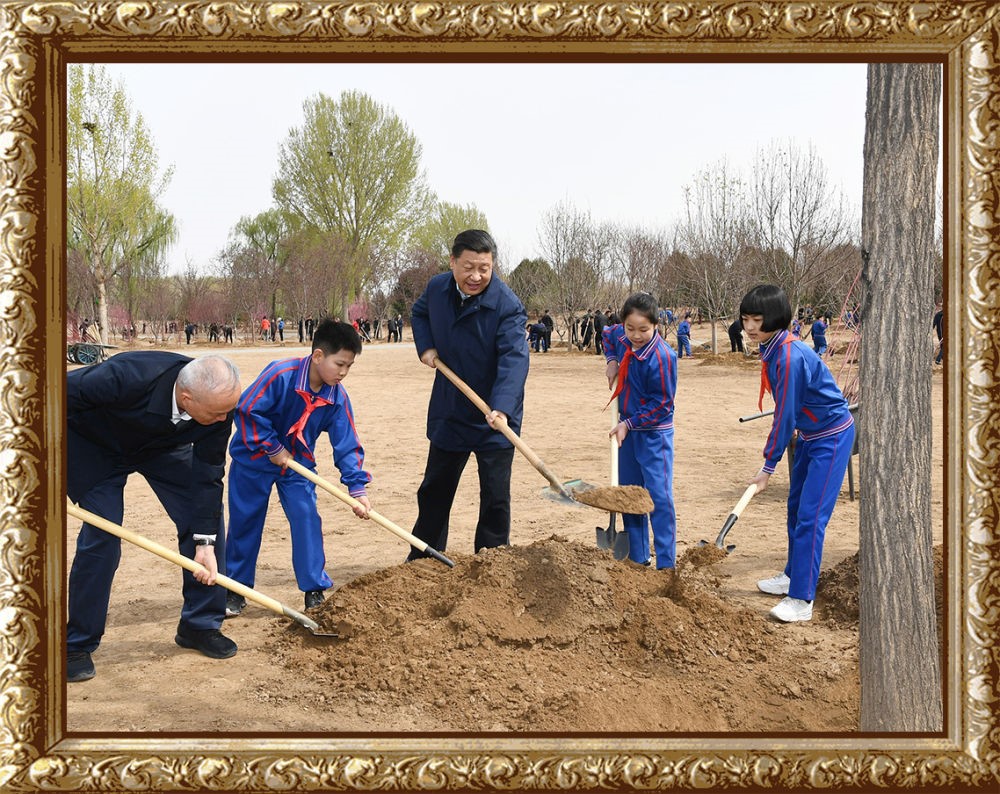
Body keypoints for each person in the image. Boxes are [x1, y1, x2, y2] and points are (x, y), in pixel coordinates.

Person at [65, 353, 243, 682]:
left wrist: (204, 543)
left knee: (204, 515)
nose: (223, 419)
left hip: (159, 447)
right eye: (216, 413)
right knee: (103, 535)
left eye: (226, 412)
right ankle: (76, 643)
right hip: (93, 447)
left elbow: (208, 474)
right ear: (187, 398)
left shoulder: (219, 405)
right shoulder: (126, 375)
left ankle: (199, 625)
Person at [224, 320, 372, 615]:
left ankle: (314, 588)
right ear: (318, 356)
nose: (343, 372)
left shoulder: (336, 397)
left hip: (297, 465)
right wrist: (272, 447)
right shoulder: (281, 374)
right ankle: (235, 589)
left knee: (307, 519)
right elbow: (247, 410)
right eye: (339, 364)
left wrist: (357, 488)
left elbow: (347, 442)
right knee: (245, 522)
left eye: (349, 367)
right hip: (252, 460)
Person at [407, 229, 529, 558]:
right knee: (435, 489)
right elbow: (419, 314)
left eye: (484, 268)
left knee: (495, 495)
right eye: (469, 267)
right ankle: (424, 556)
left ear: (493, 266)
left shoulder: (507, 306)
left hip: (494, 416)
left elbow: (514, 361)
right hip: (451, 409)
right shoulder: (436, 289)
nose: (476, 276)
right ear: (453, 262)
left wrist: (502, 408)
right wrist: (426, 346)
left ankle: (492, 560)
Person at [740, 284, 855, 623]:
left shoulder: (788, 356)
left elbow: (785, 415)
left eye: (757, 320)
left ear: (775, 319)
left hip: (831, 437)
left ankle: (802, 598)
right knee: (795, 509)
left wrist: (768, 466)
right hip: (808, 435)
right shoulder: (772, 348)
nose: (749, 327)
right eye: (745, 319)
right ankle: (793, 574)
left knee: (810, 517)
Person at [601, 293, 678, 569]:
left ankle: (667, 565)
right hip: (627, 432)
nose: (635, 335)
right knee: (630, 495)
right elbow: (607, 333)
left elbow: (663, 405)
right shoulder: (620, 337)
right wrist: (611, 360)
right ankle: (638, 558)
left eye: (643, 329)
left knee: (658, 498)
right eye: (630, 328)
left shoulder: (663, 357)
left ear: (656, 325)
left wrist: (629, 424)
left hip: (654, 435)